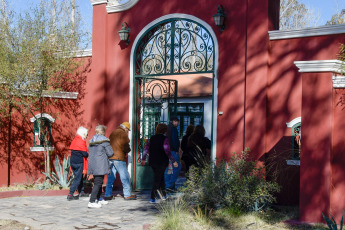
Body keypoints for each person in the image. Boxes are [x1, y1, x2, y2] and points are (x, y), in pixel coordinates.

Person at [141, 123, 178, 203]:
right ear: (165, 130)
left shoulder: (152, 138)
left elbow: (146, 149)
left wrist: (143, 159)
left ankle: (164, 196)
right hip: (161, 162)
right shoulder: (165, 139)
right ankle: (152, 198)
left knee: (160, 178)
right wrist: (173, 161)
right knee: (157, 179)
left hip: (152, 161)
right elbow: (167, 151)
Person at [104, 122, 137, 201]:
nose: (127, 131)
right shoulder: (123, 134)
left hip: (110, 157)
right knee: (124, 176)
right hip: (119, 157)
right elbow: (125, 146)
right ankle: (127, 195)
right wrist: (128, 150)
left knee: (111, 177)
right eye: (127, 129)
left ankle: (108, 194)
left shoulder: (113, 133)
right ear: (125, 128)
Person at [87, 125, 114, 208]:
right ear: (103, 133)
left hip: (93, 164)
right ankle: (91, 201)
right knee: (98, 183)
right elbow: (110, 153)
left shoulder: (91, 142)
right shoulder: (104, 142)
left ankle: (99, 199)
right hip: (101, 164)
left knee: (98, 182)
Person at [67, 126, 89, 201]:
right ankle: (70, 193)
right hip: (79, 162)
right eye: (86, 134)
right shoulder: (81, 141)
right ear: (83, 134)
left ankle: (82, 192)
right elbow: (85, 154)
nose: (87, 136)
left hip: (73, 161)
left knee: (79, 177)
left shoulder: (75, 140)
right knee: (78, 178)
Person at [164, 116, 181, 192]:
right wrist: (176, 149)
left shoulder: (168, 128)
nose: (177, 123)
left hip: (168, 150)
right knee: (177, 167)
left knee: (169, 169)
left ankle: (167, 185)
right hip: (173, 151)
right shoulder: (173, 129)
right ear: (174, 121)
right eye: (177, 122)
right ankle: (170, 185)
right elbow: (174, 140)